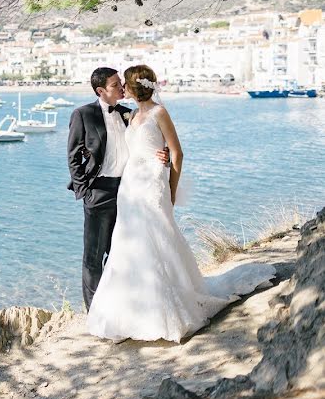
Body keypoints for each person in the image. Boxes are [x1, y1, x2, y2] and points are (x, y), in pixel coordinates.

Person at [86, 65, 275, 342]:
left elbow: (177, 152)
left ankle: (167, 309)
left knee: (160, 239)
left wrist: (171, 189)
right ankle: (129, 312)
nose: (122, 88)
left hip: (153, 184)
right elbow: (133, 148)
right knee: (128, 243)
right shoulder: (134, 114)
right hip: (129, 186)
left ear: (136, 86)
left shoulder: (159, 113)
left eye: (124, 83)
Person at [67, 67, 168, 311]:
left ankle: (123, 307)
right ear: (101, 91)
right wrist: (85, 191)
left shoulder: (129, 114)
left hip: (129, 191)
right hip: (98, 192)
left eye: (121, 83)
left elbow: (147, 143)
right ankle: (95, 311)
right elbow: (73, 157)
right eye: (115, 85)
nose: (122, 87)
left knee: (122, 252)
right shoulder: (83, 114)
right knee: (93, 257)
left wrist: (163, 156)